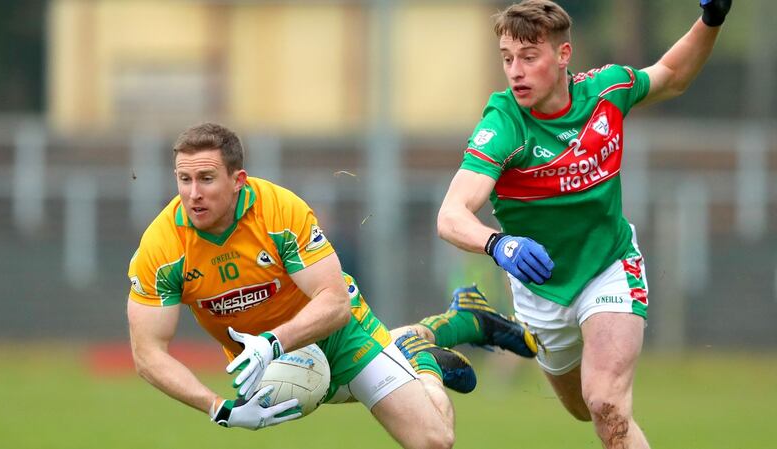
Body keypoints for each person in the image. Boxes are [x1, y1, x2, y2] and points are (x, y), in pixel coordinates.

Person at [126, 122, 534, 449]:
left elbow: (334, 302)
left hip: (338, 335)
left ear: (238, 180)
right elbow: (147, 353)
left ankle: (419, 358)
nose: (193, 194)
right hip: (273, 365)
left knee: (434, 441)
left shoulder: (279, 212)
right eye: (184, 179)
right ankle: (427, 335)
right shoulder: (162, 247)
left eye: (206, 178)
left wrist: (272, 341)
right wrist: (218, 407)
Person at [435, 1, 732, 448]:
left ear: (563, 55)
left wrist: (711, 20)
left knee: (607, 404)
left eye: (529, 57)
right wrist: (500, 245)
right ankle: (516, 332)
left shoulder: (607, 92)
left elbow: (672, 75)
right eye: (507, 58)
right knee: (581, 409)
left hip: (609, 266)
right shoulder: (504, 125)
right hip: (541, 292)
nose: (515, 71)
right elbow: (451, 214)